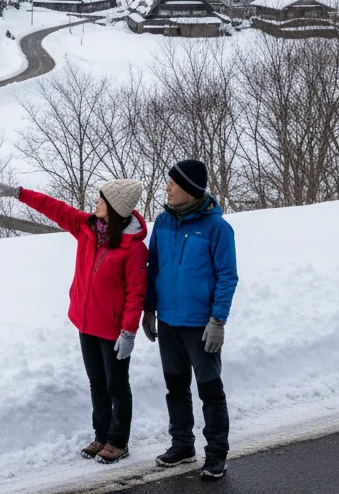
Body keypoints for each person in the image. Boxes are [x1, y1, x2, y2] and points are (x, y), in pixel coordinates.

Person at [0, 178, 147, 465]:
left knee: (116, 385)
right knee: (96, 383)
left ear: (114, 207)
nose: (96, 202)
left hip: (113, 330)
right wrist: (19, 193)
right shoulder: (86, 227)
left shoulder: (133, 247)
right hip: (86, 323)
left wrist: (128, 332)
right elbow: (54, 208)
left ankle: (118, 441)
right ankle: (101, 436)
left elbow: (136, 294)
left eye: (102, 199)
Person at [142, 159, 238, 482]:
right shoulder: (163, 224)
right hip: (169, 322)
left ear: (189, 189)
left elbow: (227, 276)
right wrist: (149, 309)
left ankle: (216, 453)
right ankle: (182, 443)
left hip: (201, 326)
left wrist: (218, 320)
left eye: (172, 183)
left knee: (210, 390)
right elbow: (152, 268)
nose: (167, 188)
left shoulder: (218, 229)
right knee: (176, 387)